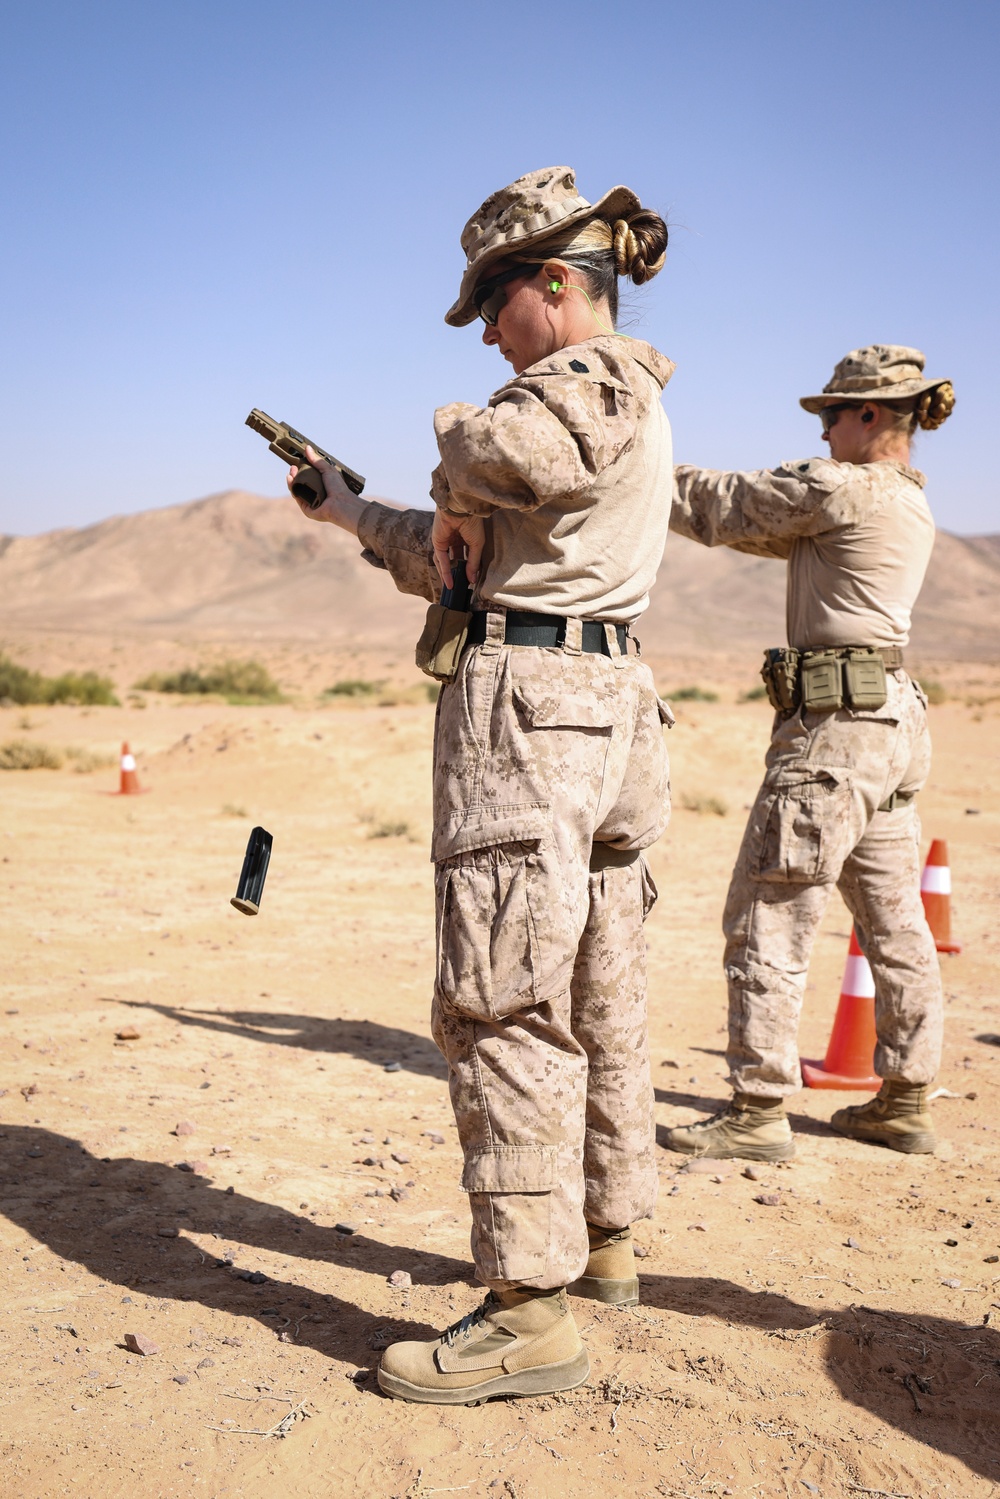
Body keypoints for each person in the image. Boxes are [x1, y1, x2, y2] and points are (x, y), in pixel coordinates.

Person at [286, 166, 675, 1404]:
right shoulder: (586, 412)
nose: (492, 339)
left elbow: (502, 450)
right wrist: (351, 510)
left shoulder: (585, 381)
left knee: (502, 995)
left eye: (497, 309)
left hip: (537, 720)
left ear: (553, 286)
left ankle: (526, 1308)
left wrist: (456, 459)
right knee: (593, 983)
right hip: (593, 704)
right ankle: (602, 1237)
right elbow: (471, 560)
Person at [663, 345, 955, 1165]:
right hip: (888, 727)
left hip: (834, 734)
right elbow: (749, 529)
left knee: (769, 912)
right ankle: (904, 1098)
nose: (822, 431)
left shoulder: (843, 488)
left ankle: (757, 1108)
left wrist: (641, 460)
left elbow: (728, 504)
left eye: (832, 414)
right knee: (896, 921)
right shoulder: (898, 500)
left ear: (871, 416)